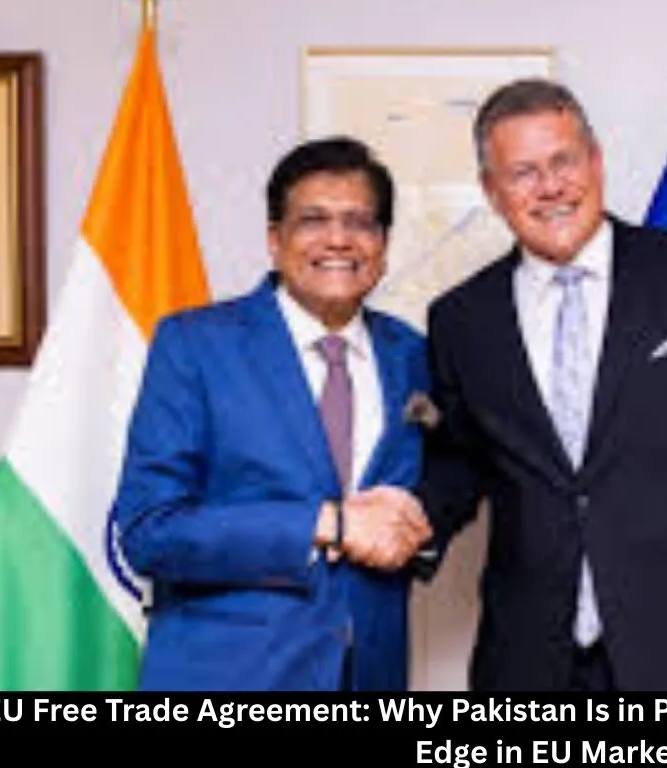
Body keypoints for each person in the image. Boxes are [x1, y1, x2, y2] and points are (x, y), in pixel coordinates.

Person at [415, 78, 667, 691]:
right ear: (492, 192)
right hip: (528, 661)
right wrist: (408, 518)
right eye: (523, 173)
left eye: (564, 161)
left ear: (596, 162)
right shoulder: (461, 319)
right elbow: (462, 464)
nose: (550, 187)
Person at [108, 136, 433, 692]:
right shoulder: (195, 345)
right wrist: (322, 524)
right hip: (228, 676)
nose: (338, 239)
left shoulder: (412, 354)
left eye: (359, 222)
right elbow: (149, 530)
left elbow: (439, 482)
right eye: (313, 220)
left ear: (382, 245)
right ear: (275, 241)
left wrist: (418, 532)